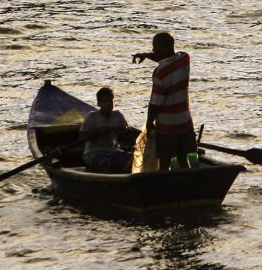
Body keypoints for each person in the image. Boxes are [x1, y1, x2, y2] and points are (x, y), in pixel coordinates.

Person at [132, 32, 197, 171]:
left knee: (165, 162)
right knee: (183, 160)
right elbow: (167, 58)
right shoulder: (185, 60)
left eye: (155, 47)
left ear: (162, 49)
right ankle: (187, 183)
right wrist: (146, 55)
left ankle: (163, 187)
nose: (153, 50)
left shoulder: (160, 72)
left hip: (167, 126)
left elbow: (155, 102)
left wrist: (149, 122)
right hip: (185, 122)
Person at [79, 87, 133, 173]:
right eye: (105, 101)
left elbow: (127, 134)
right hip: (93, 153)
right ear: (99, 104)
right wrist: (97, 131)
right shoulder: (92, 117)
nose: (109, 104)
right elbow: (81, 137)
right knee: (105, 164)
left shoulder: (118, 116)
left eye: (111, 101)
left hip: (113, 151)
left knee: (136, 159)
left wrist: (122, 130)